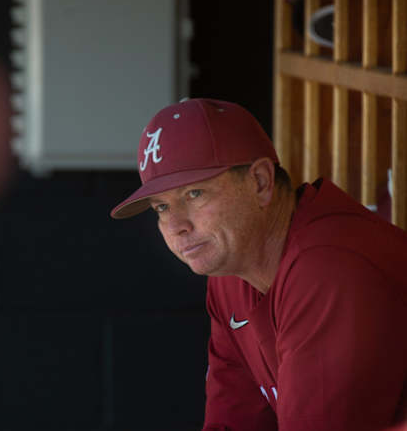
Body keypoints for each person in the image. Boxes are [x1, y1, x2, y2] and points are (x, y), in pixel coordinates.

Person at [110, 98, 407, 431]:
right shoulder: (231, 273)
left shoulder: (328, 267)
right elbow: (234, 421)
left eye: (194, 194)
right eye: (161, 208)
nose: (177, 224)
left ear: (261, 182)